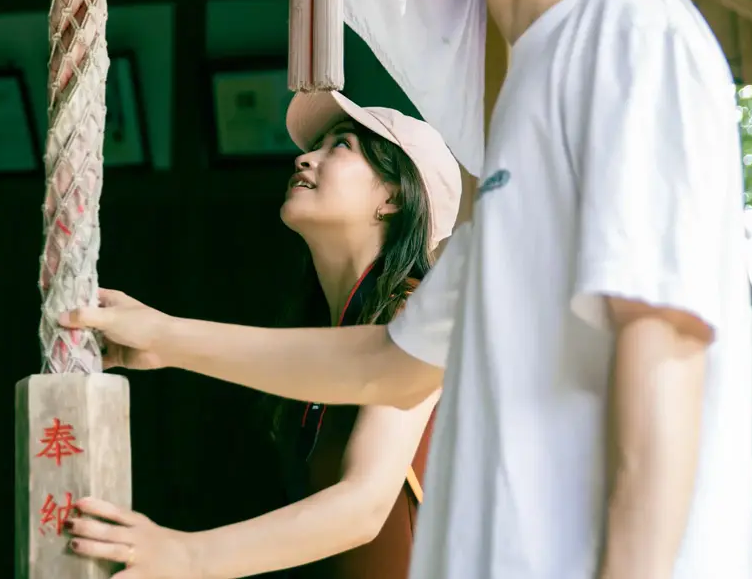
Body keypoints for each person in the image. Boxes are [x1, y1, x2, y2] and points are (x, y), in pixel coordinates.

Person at [62, 0, 752, 579]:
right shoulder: (540, 92)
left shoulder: (632, 28)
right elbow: (391, 365)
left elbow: (664, 344)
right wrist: (168, 338)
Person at [66, 92, 462, 579]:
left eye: (340, 146)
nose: (305, 156)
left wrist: (181, 556)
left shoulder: (413, 312)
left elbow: (363, 508)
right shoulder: (330, 335)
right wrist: (161, 343)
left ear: (394, 196)